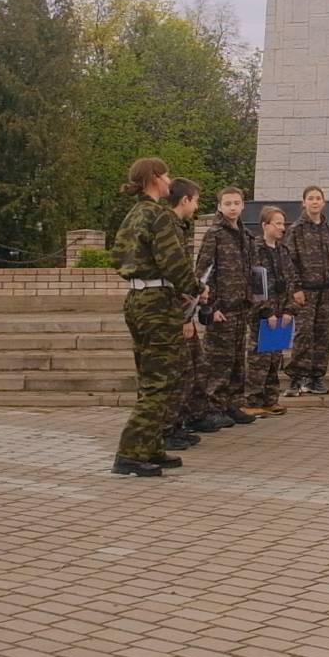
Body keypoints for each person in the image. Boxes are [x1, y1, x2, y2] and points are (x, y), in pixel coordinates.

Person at [110, 159, 205, 477]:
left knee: (151, 377)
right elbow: (173, 260)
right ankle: (130, 453)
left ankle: (149, 446)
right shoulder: (160, 216)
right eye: (165, 175)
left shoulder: (134, 214)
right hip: (158, 303)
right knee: (162, 381)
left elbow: (117, 256)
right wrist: (195, 288)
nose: (169, 181)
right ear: (154, 179)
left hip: (138, 299)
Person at [192, 187, 263, 428]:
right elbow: (202, 272)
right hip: (220, 308)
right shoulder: (215, 234)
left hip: (241, 307)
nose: (232, 207)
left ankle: (232, 404)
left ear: (243, 206)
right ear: (219, 207)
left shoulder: (246, 236)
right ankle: (212, 407)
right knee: (217, 360)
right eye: (228, 203)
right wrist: (209, 306)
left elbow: (252, 272)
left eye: (237, 203)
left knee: (236, 360)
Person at [165, 179, 223, 439]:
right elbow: (172, 275)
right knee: (180, 372)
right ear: (185, 200)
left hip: (181, 306)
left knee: (195, 367)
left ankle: (187, 419)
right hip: (172, 311)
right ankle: (170, 427)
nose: (197, 205)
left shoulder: (178, 227)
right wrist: (185, 316)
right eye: (196, 200)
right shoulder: (167, 227)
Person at [284, 186, 329, 397]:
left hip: (327, 290)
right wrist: (296, 288)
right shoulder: (296, 230)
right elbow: (289, 262)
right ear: (303, 203)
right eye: (310, 198)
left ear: (324, 202)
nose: (314, 202)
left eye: (318, 198)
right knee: (303, 333)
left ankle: (316, 377)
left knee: (323, 334)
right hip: (306, 292)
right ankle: (297, 377)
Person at [240, 206, 300, 417]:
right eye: (278, 223)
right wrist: (266, 312)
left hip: (282, 313)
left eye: (283, 223)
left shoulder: (283, 251)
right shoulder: (254, 249)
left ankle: (270, 398)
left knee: (275, 357)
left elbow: (292, 281)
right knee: (259, 358)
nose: (282, 228)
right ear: (265, 225)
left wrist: (290, 310)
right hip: (262, 316)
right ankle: (252, 400)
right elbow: (254, 285)